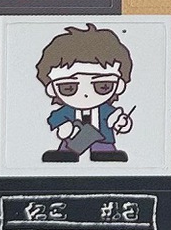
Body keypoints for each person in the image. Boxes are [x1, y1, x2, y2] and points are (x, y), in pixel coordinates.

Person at [38, 25, 136, 164]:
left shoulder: (105, 110)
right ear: (52, 89)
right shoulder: (67, 111)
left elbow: (115, 119)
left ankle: (104, 154)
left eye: (102, 86)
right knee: (68, 148)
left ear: (119, 86)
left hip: (103, 139)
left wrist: (122, 123)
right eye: (69, 87)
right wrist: (65, 127)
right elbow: (56, 118)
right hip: (73, 140)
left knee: (104, 148)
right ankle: (66, 155)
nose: (85, 95)